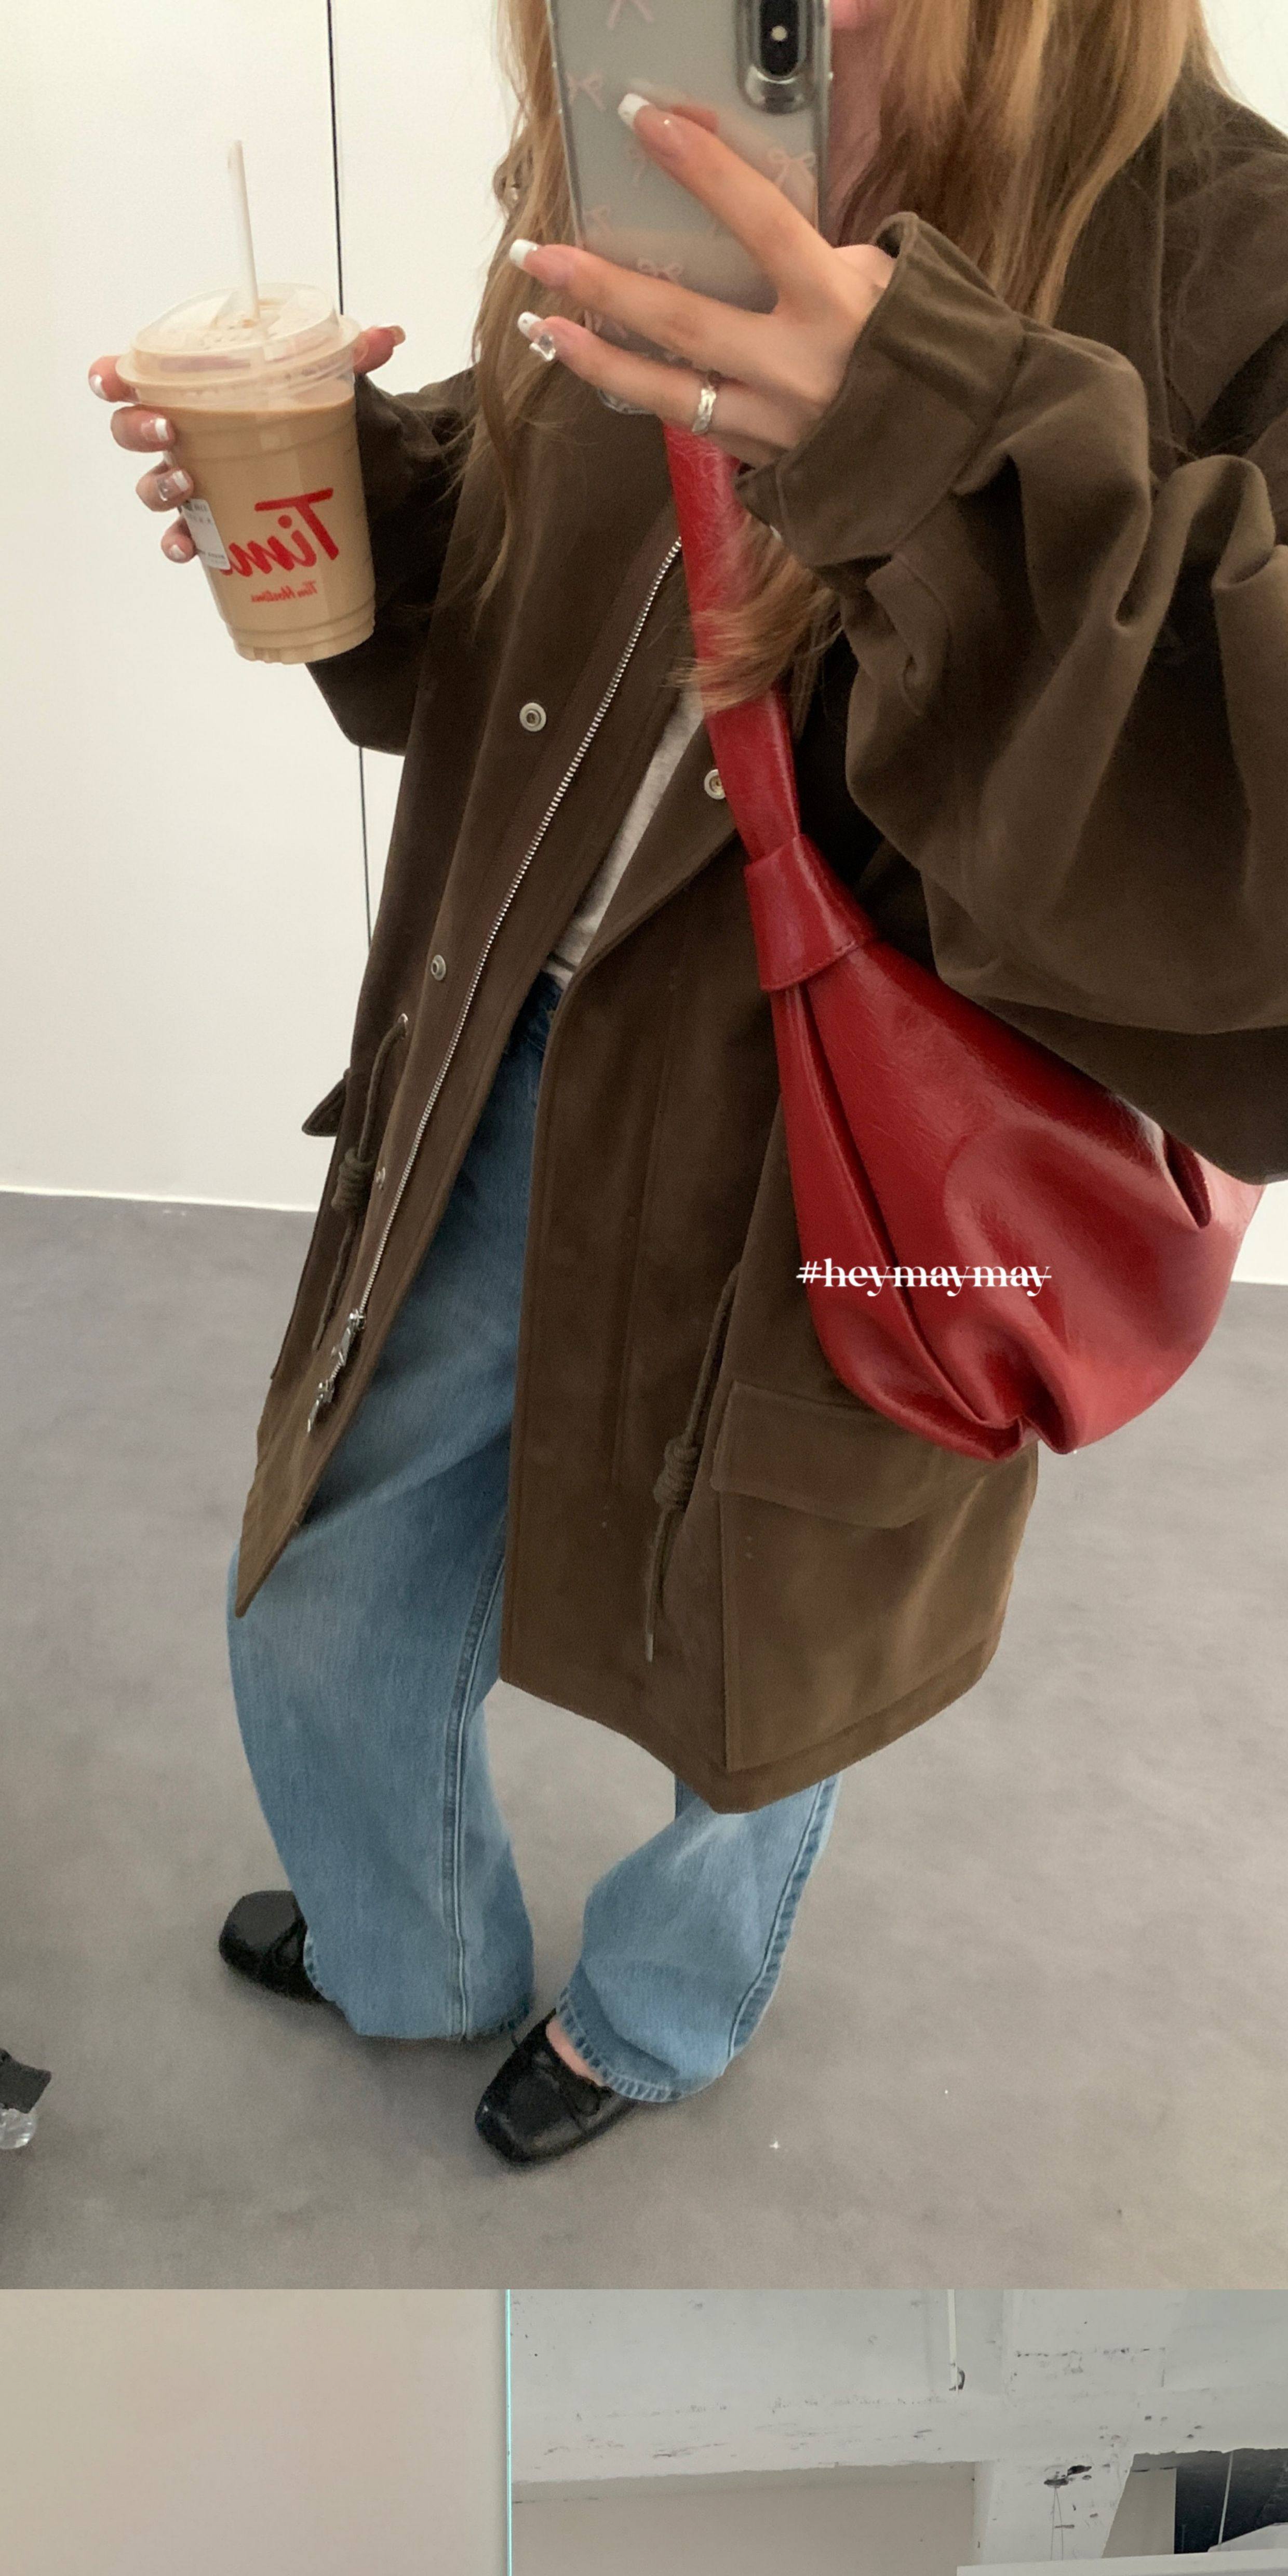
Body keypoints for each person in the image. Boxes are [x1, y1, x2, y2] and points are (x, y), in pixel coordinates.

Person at [90, 0, 1288, 2168]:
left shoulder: (1234, 254)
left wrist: (932, 434)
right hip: (523, 1037)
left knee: (771, 1651)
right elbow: (559, 557)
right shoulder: (656, 121)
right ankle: (410, 1948)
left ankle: (655, 2017)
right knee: (327, 1585)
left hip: (872, 1135)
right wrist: (358, 497)